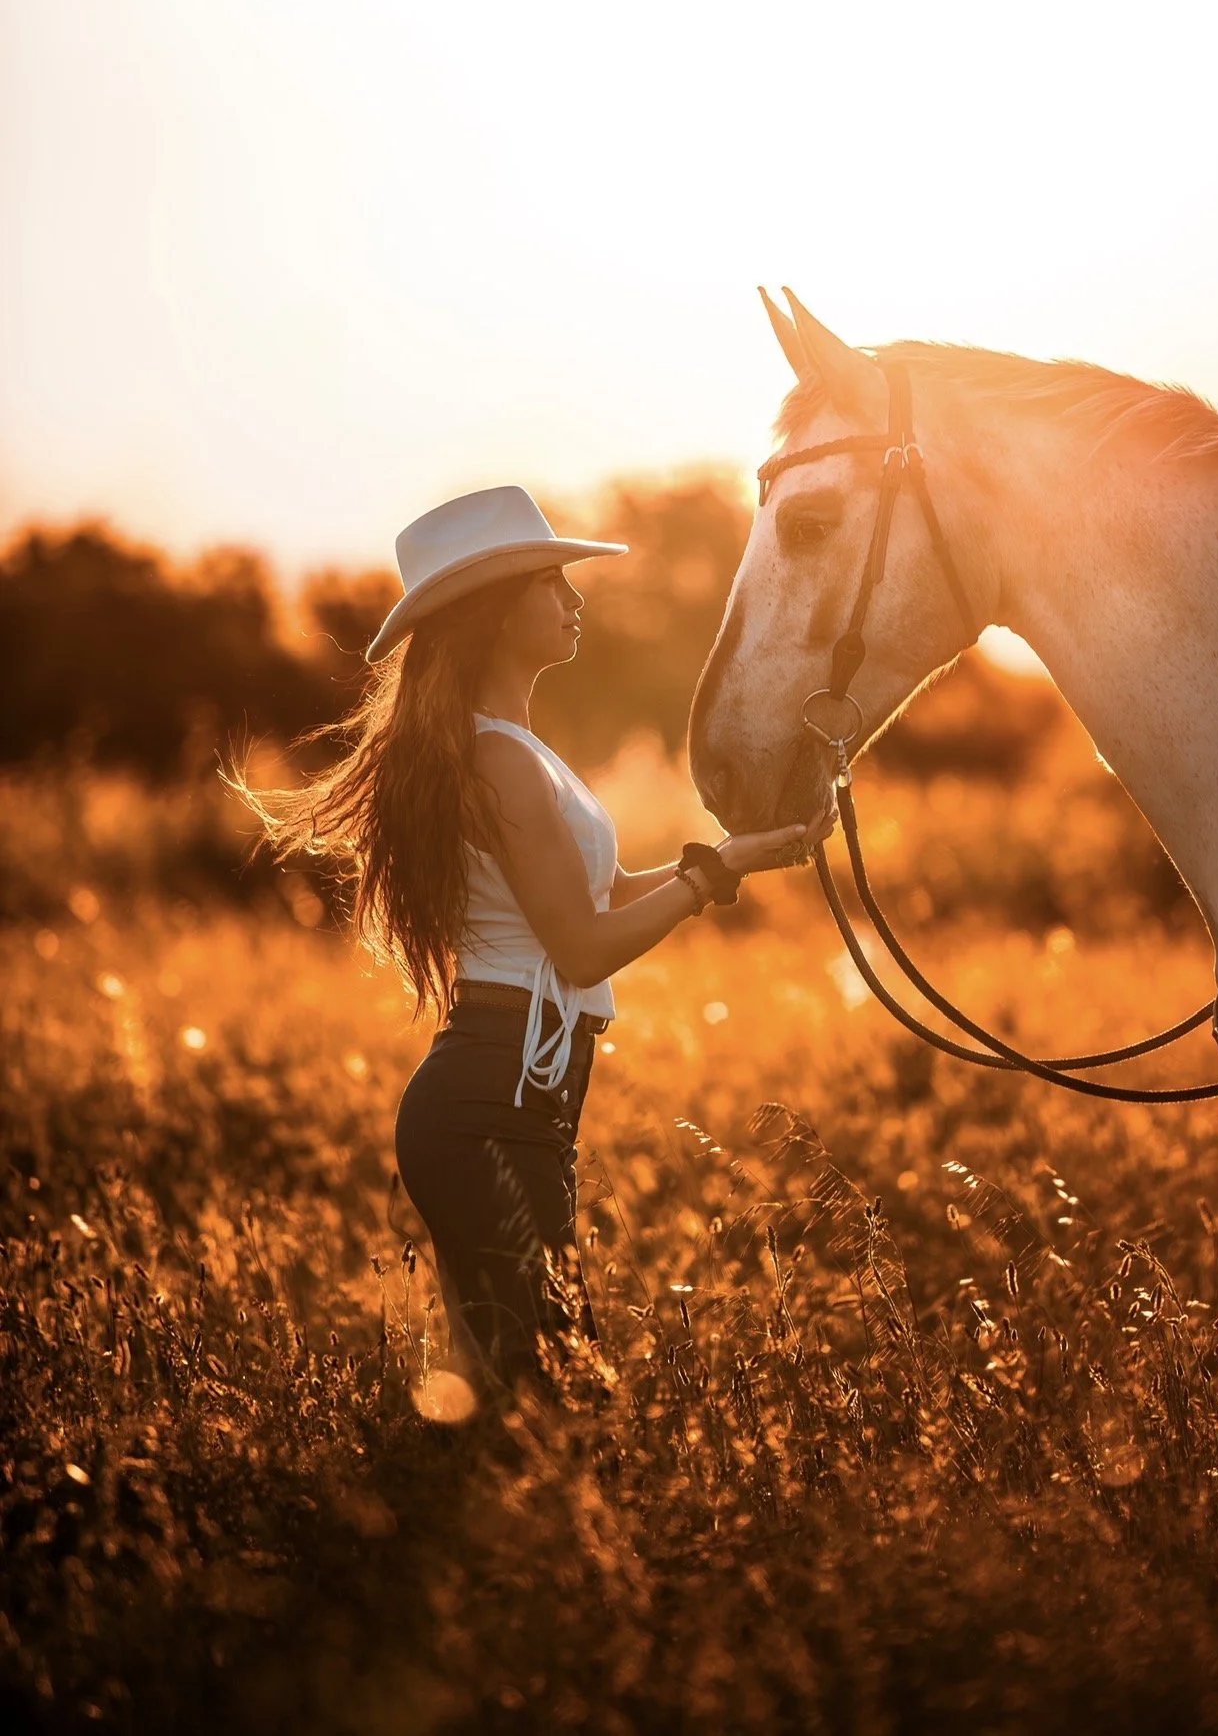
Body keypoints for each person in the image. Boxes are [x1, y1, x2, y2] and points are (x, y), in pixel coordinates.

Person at [230, 485, 833, 1395]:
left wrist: (737, 856)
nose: (576, 601)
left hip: (521, 1103)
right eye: (554, 583)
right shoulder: (502, 758)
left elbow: (599, 893)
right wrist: (710, 878)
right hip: (490, 1105)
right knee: (548, 1388)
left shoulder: (514, 748)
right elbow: (583, 949)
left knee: (527, 1388)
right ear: (498, 610)